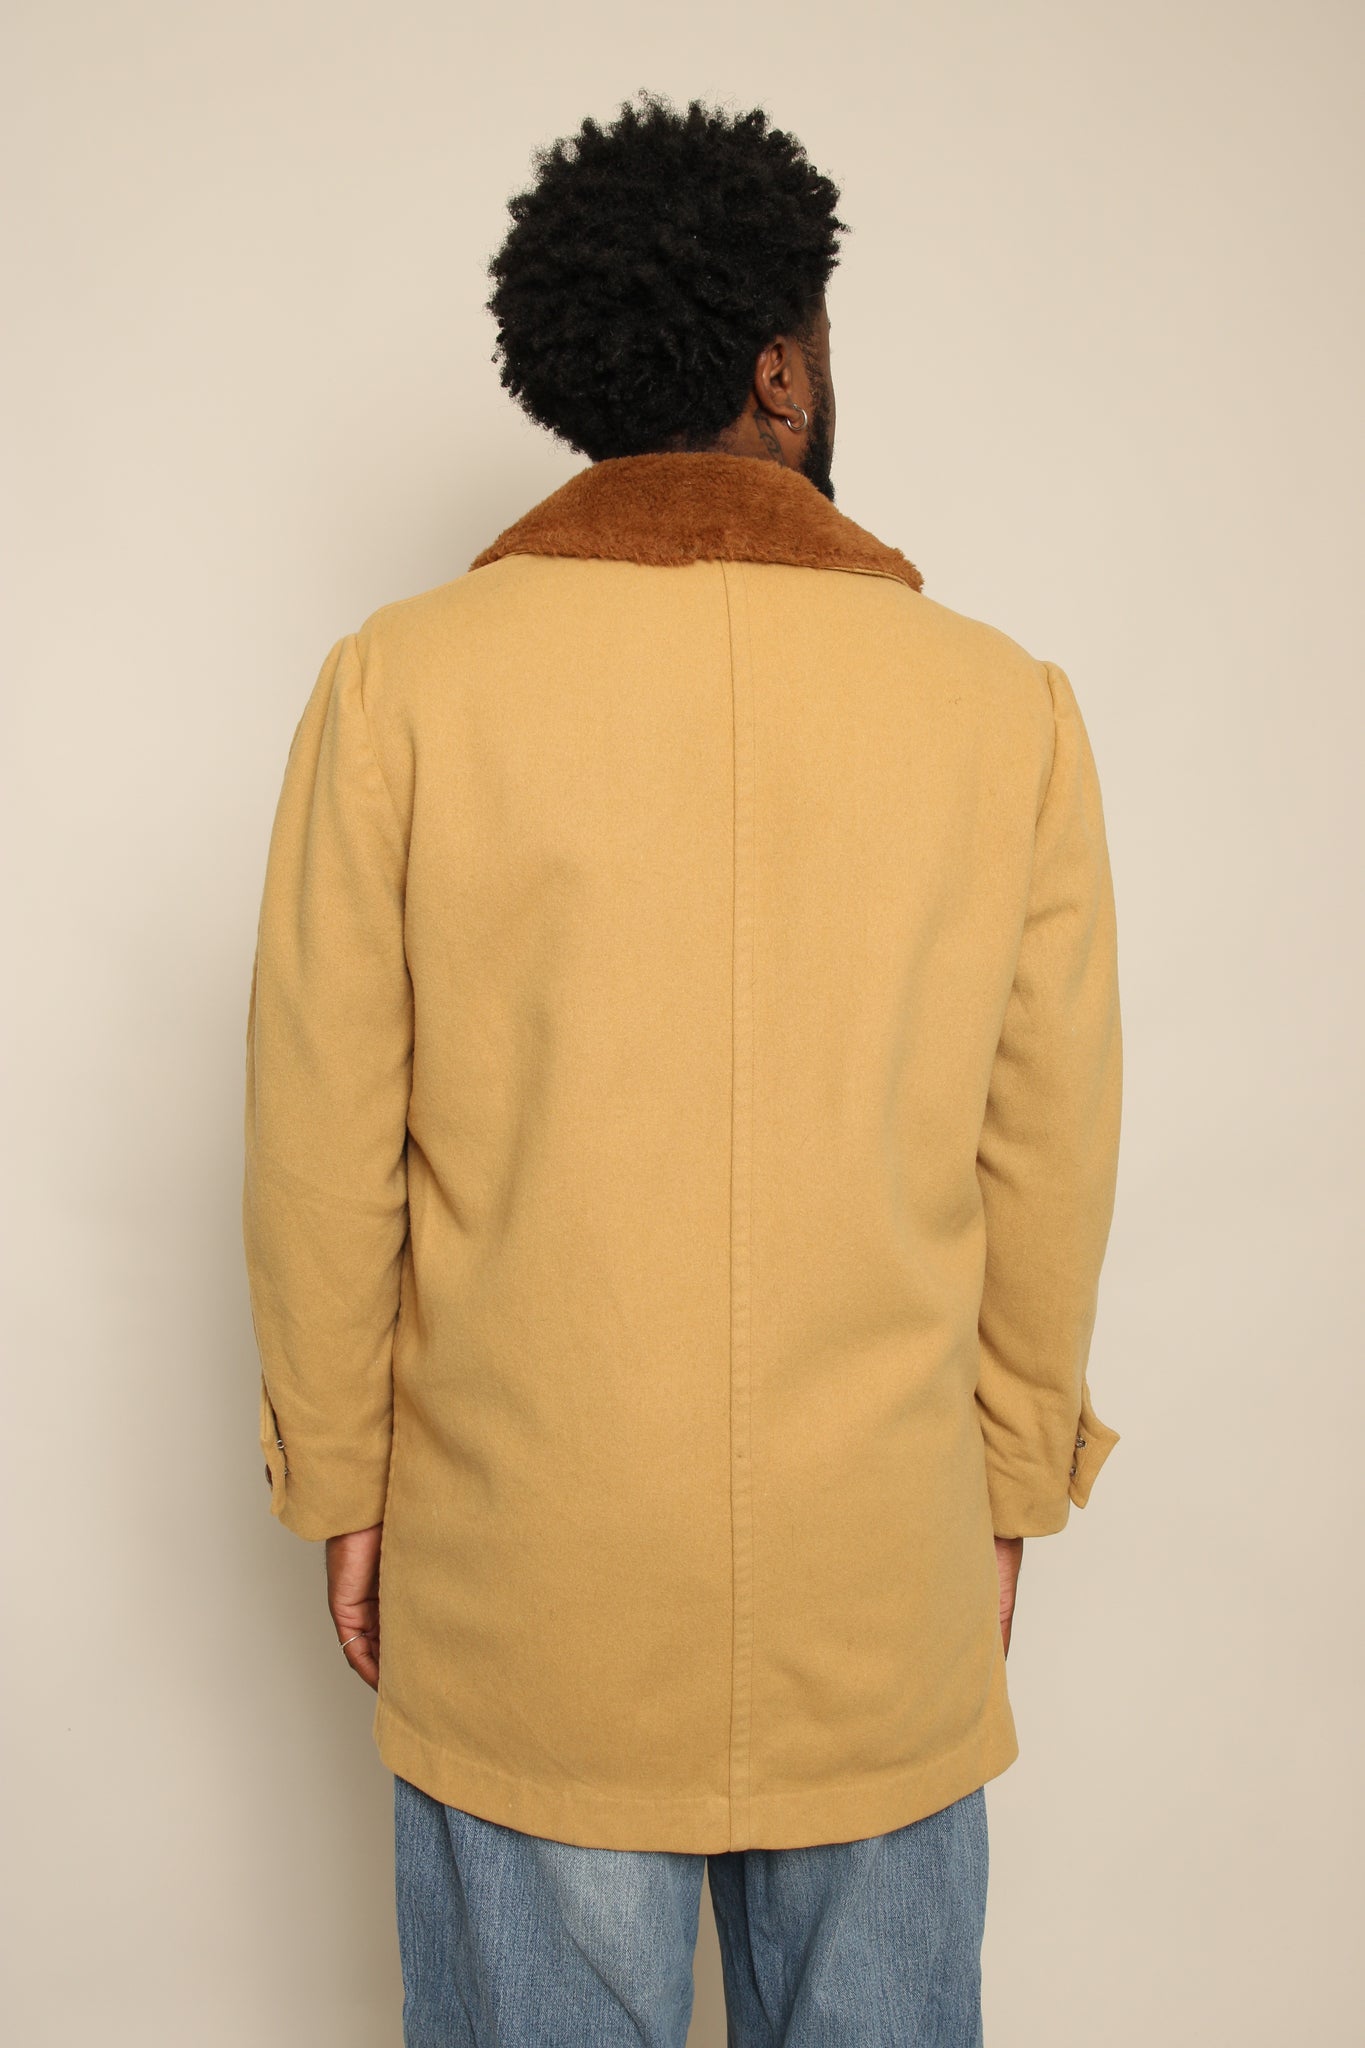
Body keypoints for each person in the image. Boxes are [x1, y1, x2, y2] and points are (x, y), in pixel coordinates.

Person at [242, 90, 1123, 2048]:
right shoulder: (1003, 711)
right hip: (872, 1577)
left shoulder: (401, 684)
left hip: (524, 1581)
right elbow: (1045, 1156)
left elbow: (319, 1138)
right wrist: (1002, 1487)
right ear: (779, 369)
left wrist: (344, 1478)